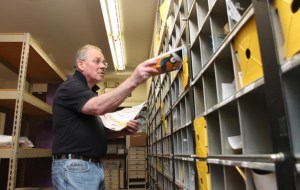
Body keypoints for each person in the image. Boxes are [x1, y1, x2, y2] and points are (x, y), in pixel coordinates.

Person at [51, 44, 158, 190]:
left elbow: (93, 134)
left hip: (89, 167)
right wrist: (133, 80)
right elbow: (98, 107)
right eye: (97, 61)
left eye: (104, 63)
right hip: (76, 168)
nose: (103, 66)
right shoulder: (70, 87)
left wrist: (122, 132)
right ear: (80, 64)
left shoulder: (87, 93)